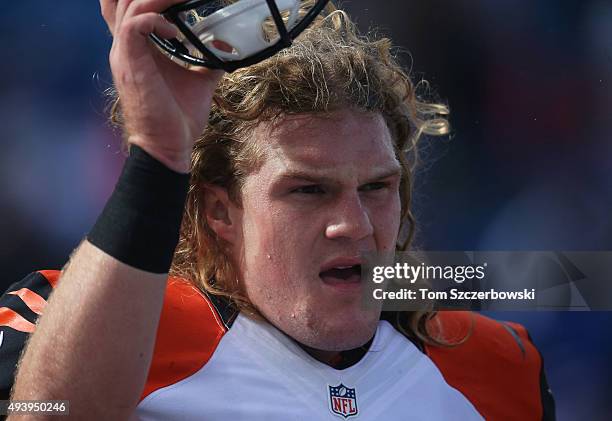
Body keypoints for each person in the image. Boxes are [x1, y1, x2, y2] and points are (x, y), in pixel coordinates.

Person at [0, 0, 555, 419]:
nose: (354, 225)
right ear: (220, 212)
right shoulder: (92, 324)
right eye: (308, 190)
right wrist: (161, 152)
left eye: (377, 188)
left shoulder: (500, 365)